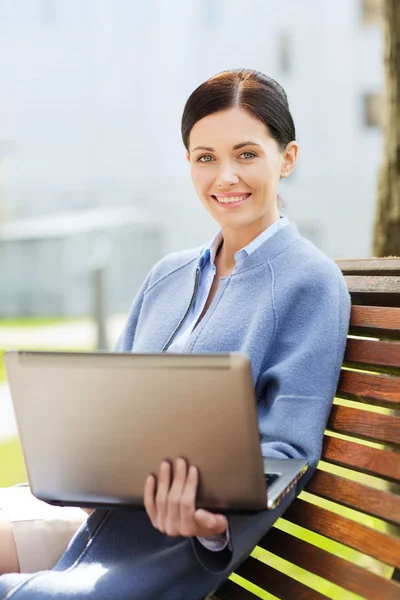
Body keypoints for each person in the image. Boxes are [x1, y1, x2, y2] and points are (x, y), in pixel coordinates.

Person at [0, 68, 351, 600]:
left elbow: (289, 446)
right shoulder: (167, 273)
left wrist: (213, 527)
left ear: (288, 158)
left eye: (247, 154)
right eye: (205, 157)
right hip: (98, 515)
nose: (225, 176)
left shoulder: (310, 283)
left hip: (168, 544)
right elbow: (111, 406)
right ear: (189, 163)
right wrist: (78, 466)